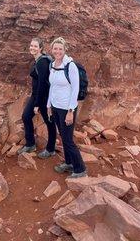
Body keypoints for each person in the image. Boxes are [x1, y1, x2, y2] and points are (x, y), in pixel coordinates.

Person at [47, 37, 87, 178]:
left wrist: (70, 111)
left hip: (67, 108)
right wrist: (48, 105)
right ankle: (69, 163)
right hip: (56, 107)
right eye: (55, 48)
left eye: (60, 49)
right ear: (52, 50)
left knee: (68, 139)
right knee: (63, 137)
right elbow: (52, 86)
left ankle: (80, 169)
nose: (57, 51)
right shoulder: (52, 65)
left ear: (64, 50)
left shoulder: (70, 66)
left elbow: (75, 89)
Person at [18, 37, 57, 158]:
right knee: (26, 116)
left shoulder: (42, 62)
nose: (32, 48)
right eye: (31, 46)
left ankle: (50, 149)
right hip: (36, 95)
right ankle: (30, 144)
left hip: (44, 97)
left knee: (50, 122)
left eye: (35, 46)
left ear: (40, 48)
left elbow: (42, 84)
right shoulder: (38, 60)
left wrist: (37, 104)